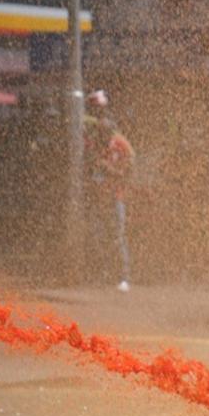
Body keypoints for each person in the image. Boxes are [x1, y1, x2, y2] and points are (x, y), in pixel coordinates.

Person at [84, 92, 135, 291]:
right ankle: (102, 272)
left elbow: (130, 162)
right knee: (98, 235)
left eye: (106, 129)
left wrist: (115, 172)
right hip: (99, 196)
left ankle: (123, 275)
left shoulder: (120, 143)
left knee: (117, 236)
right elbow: (92, 165)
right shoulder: (95, 143)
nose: (103, 132)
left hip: (116, 196)